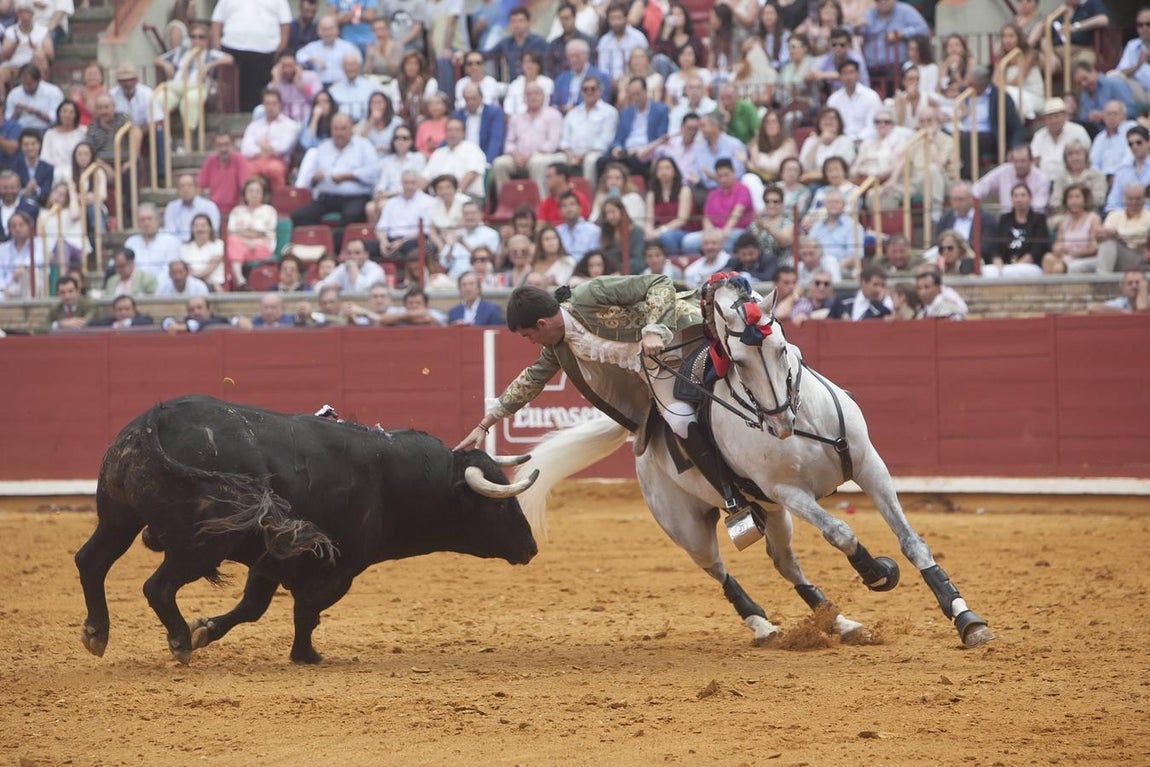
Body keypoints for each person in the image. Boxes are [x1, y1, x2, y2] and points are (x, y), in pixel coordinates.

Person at [453, 275, 759, 517]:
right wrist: (485, 423)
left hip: (684, 335)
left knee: (755, 357)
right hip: (661, 370)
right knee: (679, 421)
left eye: (528, 335)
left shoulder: (590, 294)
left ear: (542, 324)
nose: (531, 342)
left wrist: (653, 330)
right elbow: (530, 380)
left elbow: (658, 283)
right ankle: (732, 498)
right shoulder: (558, 348)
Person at [292, 113, 380, 230]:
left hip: (355, 197)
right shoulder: (323, 146)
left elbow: (373, 172)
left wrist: (349, 176)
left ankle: (333, 244)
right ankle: (319, 242)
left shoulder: (363, 145)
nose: (339, 133)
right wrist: (315, 178)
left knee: (351, 215)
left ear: (351, 129)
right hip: (327, 197)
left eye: (343, 129)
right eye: (336, 129)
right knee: (298, 216)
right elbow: (309, 177)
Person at [211, 0, 291, 112]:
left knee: (257, 94)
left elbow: (285, 22)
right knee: (230, 92)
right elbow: (217, 19)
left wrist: (281, 46)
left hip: (265, 51)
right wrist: (216, 45)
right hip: (231, 48)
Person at [491, 82, 563, 193]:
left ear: (543, 97)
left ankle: (541, 202)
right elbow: (509, 143)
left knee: (536, 162)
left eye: (536, 93)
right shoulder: (516, 118)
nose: (533, 97)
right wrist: (515, 155)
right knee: (499, 163)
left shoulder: (553, 115)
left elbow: (552, 144)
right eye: (529, 94)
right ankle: (506, 202)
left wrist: (530, 155)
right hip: (519, 158)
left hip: (545, 156)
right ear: (524, 98)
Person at [602, 76, 669, 178]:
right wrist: (617, 148)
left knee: (635, 160)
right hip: (627, 151)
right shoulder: (626, 112)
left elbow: (661, 137)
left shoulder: (660, 110)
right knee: (601, 162)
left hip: (647, 151)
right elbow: (618, 138)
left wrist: (643, 149)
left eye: (638, 94)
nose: (635, 98)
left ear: (646, 92)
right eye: (632, 95)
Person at [241, 88, 301, 190]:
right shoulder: (254, 126)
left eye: (274, 103)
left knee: (274, 169)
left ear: (280, 104)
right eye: (267, 104)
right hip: (256, 160)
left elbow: (283, 147)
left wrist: (260, 144)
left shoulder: (290, 125)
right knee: (245, 170)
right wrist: (262, 151)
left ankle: (279, 203)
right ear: (263, 105)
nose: (270, 107)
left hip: (278, 161)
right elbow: (245, 149)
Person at [226, 177, 277, 289]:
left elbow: (263, 233)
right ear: (245, 194)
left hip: (260, 248)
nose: (254, 194)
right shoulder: (236, 211)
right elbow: (231, 232)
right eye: (250, 191)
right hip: (240, 249)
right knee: (231, 241)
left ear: (263, 194)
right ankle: (240, 280)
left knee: (235, 243)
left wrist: (244, 236)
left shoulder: (269, 211)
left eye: (257, 191)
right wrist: (247, 239)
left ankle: (238, 281)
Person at [987, 183, 1048, 276]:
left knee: (1013, 272)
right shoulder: (1004, 219)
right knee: (988, 271)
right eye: (1016, 196)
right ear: (1011, 199)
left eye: (1023, 195)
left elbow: (1037, 249)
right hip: (1006, 265)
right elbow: (996, 245)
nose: (1019, 199)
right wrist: (997, 259)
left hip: (1030, 265)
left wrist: (1018, 265)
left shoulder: (1039, 220)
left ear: (1030, 198)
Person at [421, 117, 488, 202]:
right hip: (437, 198)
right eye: (449, 130)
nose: (452, 133)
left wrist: (453, 195)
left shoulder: (472, 149)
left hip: (466, 197)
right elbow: (425, 177)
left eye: (457, 130)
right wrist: (416, 194)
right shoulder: (438, 153)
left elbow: (471, 174)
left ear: (463, 133)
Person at [972, 145, 1051, 215]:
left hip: (1033, 221)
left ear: (1031, 161)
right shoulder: (1004, 171)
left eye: (1023, 161)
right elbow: (981, 186)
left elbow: (1038, 207)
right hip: (1006, 221)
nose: (1019, 165)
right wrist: (972, 199)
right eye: (1016, 161)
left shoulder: (1042, 179)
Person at [440, 200, 500, 279]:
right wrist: (451, 247)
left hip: (479, 278)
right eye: (466, 214)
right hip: (455, 278)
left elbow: (489, 260)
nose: (469, 217)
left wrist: (463, 243)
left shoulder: (491, 234)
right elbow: (444, 263)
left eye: (473, 213)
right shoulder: (456, 233)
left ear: (480, 215)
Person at [1097, 183, 1150, 272]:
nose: (1134, 202)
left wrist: (1117, 235)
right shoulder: (1113, 216)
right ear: (1124, 199)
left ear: (1144, 200)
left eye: (1138, 199)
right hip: (1114, 255)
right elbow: (1104, 234)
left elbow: (1142, 233)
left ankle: (1102, 280)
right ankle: (1102, 276)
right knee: (1078, 267)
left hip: (1138, 256)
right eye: (1130, 199)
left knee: (1109, 243)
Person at [454, 82, 505, 166]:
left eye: (473, 99)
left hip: (484, 156)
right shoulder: (458, 115)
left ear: (481, 97)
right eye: (467, 99)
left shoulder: (494, 112)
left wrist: (487, 162)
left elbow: (496, 139)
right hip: (462, 157)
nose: (470, 102)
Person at [197, 133, 247, 218]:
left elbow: (245, 186)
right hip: (213, 211)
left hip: (235, 211)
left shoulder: (239, 160)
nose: (223, 149)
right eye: (219, 145)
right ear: (215, 147)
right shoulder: (210, 161)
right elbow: (200, 187)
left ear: (233, 145)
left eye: (226, 145)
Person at [124, 203, 181, 277]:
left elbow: (170, 270)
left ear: (158, 220)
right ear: (137, 223)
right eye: (142, 220)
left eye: (149, 219)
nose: (146, 223)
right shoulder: (131, 242)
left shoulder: (171, 241)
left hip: (163, 286)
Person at [164, 173, 221, 241]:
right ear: (178, 190)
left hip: (203, 245)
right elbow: (170, 232)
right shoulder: (171, 207)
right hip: (179, 247)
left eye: (189, 186)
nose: (186, 189)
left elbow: (213, 231)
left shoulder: (209, 207)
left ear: (196, 189)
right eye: (182, 186)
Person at [178, 214, 225, 290]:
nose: (199, 229)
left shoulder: (218, 244)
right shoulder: (184, 247)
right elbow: (187, 269)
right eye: (196, 226)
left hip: (213, 284)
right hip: (191, 285)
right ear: (192, 229)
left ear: (210, 228)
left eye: (203, 226)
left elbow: (209, 269)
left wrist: (198, 277)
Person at [41, 99, 84, 181]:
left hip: (77, 173)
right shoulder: (50, 134)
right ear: (59, 113)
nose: (67, 115)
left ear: (76, 115)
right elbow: (45, 158)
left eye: (71, 112)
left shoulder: (82, 132)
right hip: (55, 174)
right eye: (64, 111)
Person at [1115, 6, 1150, 105]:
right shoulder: (1132, 45)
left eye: (1148, 24)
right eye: (1140, 25)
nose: (1144, 28)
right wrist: (1137, 66)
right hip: (1138, 91)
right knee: (1113, 76)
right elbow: (1121, 72)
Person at [12, 127, 52, 206]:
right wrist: (25, 191)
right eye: (26, 144)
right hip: (19, 205)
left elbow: (47, 191)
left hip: (41, 206)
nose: (30, 148)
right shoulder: (14, 166)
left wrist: (35, 189)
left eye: (33, 144)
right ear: (21, 146)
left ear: (39, 145)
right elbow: (11, 190)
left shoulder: (48, 168)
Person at [162, 295, 231, 333]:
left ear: (208, 309)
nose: (196, 312)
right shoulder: (186, 321)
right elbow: (167, 321)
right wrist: (170, 324)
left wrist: (187, 327)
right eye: (191, 310)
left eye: (199, 308)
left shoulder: (219, 320)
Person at [87, 294, 156, 329]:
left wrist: (126, 323)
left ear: (134, 310)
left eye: (127, 309)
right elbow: (92, 324)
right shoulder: (111, 321)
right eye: (119, 309)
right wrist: (115, 325)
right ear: (114, 312)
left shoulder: (142, 320)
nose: (123, 312)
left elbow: (149, 322)